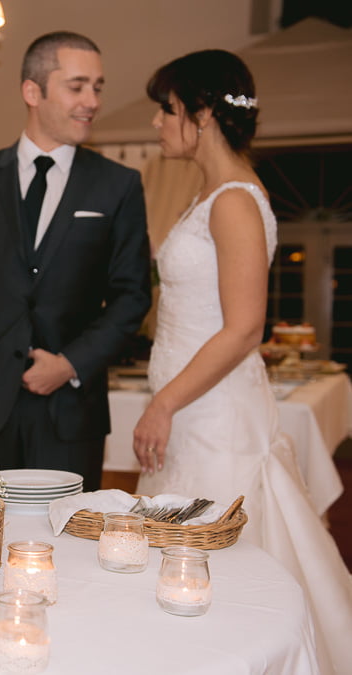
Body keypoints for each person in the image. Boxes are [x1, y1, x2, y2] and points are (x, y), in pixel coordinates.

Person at [131, 49, 352, 674]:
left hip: (212, 417)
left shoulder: (232, 200)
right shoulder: (214, 194)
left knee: (218, 562)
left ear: (202, 115)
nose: (157, 123)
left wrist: (164, 402)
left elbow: (245, 326)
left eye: (166, 109)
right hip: (196, 414)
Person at [0, 32, 151, 491]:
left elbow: (132, 296)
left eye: (98, 87)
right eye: (77, 86)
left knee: (66, 544)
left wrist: (70, 363)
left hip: (71, 412)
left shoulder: (118, 185)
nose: (91, 101)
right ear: (32, 91)